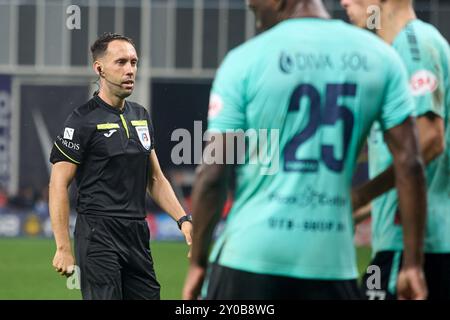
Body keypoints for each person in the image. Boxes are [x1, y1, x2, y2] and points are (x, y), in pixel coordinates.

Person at [182, 0, 428, 300]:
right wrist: (413, 264)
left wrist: (198, 264)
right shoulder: (380, 58)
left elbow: (213, 173)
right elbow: (410, 163)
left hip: (249, 259)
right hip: (331, 264)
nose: (249, 4)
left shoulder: (243, 60)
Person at [49, 33, 193, 300]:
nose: (130, 70)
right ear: (99, 68)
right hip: (97, 232)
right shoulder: (81, 120)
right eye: (121, 62)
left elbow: (155, 179)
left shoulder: (141, 115)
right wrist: (62, 247)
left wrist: (183, 220)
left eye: (134, 62)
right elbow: (58, 183)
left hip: (137, 233)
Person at [341, 0, 450, 300]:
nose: (344, 2)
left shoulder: (414, 44)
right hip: (400, 244)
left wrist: (361, 194)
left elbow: (429, 141)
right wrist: (353, 209)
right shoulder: (397, 53)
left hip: (416, 248)